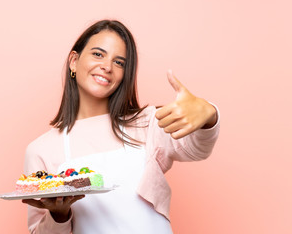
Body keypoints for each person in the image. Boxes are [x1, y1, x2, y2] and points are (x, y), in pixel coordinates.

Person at [21, 19, 220, 234]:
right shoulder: (41, 149)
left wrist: (209, 114)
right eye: (98, 54)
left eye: (119, 62)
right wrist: (58, 216)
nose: (107, 67)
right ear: (74, 61)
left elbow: (196, 149)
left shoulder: (148, 122)